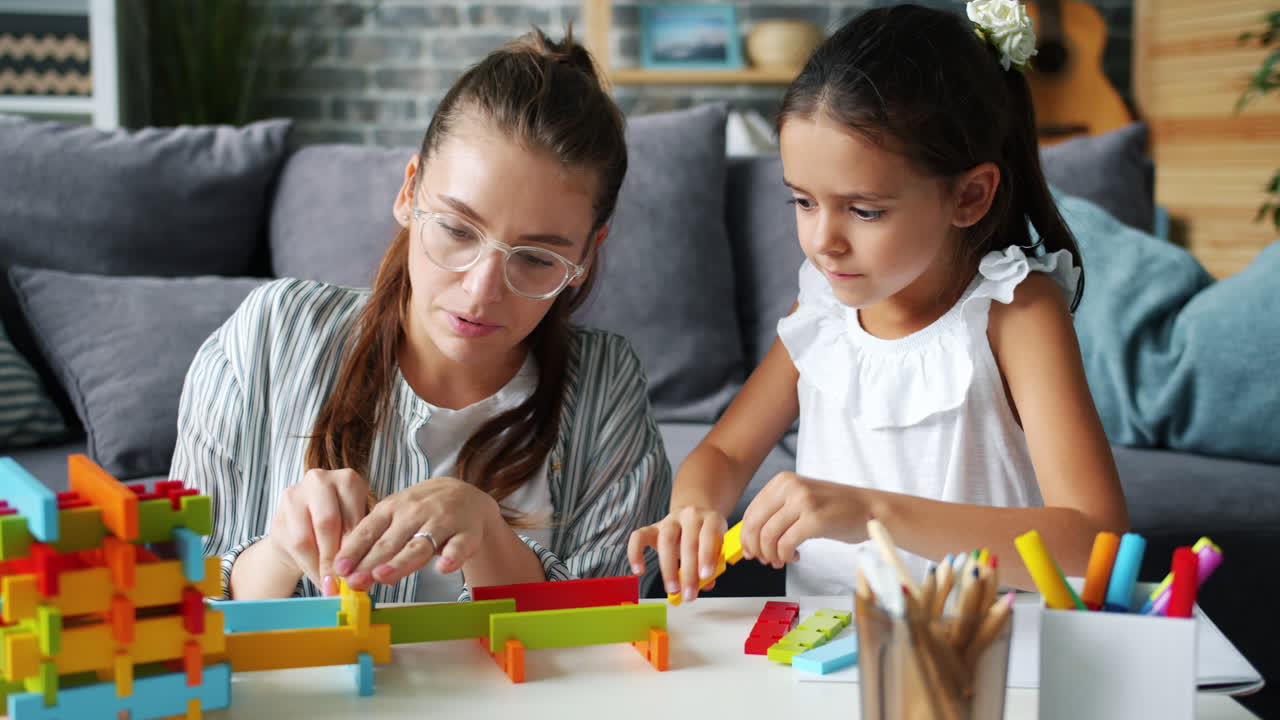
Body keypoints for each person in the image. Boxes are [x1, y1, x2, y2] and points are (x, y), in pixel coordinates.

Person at [628, 2, 1128, 601]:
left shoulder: (1014, 312)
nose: (823, 242)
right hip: (819, 650)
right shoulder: (822, 312)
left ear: (969, 196)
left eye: (864, 210)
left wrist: (869, 513)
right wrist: (694, 508)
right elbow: (725, 451)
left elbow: (1097, 540)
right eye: (803, 202)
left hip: (978, 655)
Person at [172, 29, 671, 604]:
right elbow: (184, 598)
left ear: (586, 252)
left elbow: (612, 621)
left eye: (536, 258)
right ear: (410, 191)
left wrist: (488, 538)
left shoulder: (607, 384)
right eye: (458, 231)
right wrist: (279, 553)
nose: (482, 291)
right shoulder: (272, 333)